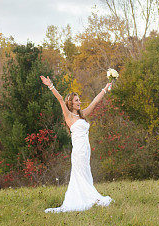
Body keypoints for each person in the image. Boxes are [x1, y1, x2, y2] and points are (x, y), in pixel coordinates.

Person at [40, 75, 113, 213]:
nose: (79, 102)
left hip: (86, 150)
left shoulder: (82, 115)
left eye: (79, 100)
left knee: (85, 173)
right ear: (71, 103)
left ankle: (87, 195)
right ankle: (84, 198)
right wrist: (50, 85)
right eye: (77, 100)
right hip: (78, 151)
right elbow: (60, 99)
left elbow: (95, 102)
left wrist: (105, 89)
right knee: (79, 174)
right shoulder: (69, 116)